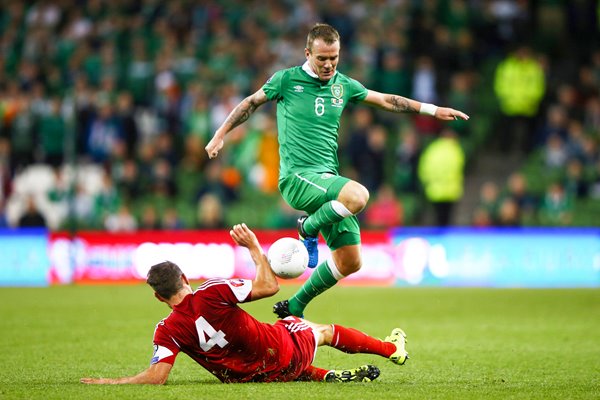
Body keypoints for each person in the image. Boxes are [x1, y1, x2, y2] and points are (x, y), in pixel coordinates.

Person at [205, 23, 469, 319]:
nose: (329, 64)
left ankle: (295, 306)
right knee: (358, 196)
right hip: (298, 178)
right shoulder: (286, 80)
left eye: (334, 58)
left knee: (350, 261)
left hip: (327, 184)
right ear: (308, 53)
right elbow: (250, 103)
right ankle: (308, 227)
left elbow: (385, 100)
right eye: (322, 58)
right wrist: (220, 134)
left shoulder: (343, 85)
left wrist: (432, 110)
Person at [80, 223, 408, 385]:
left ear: (158, 296)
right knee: (318, 329)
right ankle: (391, 350)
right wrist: (253, 247)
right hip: (282, 355)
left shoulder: (167, 330)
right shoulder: (212, 291)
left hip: (250, 379)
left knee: (278, 347)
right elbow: (270, 286)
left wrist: (114, 382)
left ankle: (324, 376)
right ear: (184, 279)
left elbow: (157, 376)